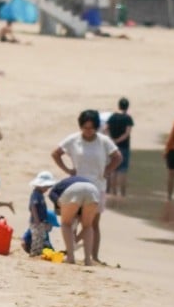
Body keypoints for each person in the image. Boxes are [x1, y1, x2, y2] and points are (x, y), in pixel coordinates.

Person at [51, 109, 121, 264]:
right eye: (85, 127)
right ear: (81, 126)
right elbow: (56, 153)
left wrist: (107, 171)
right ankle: (72, 253)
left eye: (91, 128)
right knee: (73, 222)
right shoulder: (73, 140)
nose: (88, 131)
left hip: (98, 187)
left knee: (93, 224)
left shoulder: (103, 141)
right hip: (76, 185)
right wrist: (68, 170)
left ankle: (93, 256)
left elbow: (117, 157)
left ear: (96, 127)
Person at [49, 175, 100, 265]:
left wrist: (59, 202)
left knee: (66, 224)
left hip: (73, 190)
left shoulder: (57, 190)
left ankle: (70, 257)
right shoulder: (69, 182)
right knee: (88, 226)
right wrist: (75, 240)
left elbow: (51, 193)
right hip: (93, 189)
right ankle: (88, 260)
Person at [105, 98, 134, 197]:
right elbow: (127, 133)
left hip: (112, 147)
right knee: (123, 171)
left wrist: (112, 140)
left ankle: (113, 192)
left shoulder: (112, 117)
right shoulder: (128, 118)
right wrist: (118, 140)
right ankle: (122, 194)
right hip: (124, 147)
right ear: (127, 107)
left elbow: (105, 129)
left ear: (119, 105)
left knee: (113, 170)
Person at [27, 171, 56, 257]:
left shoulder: (40, 194)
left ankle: (38, 253)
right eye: (46, 187)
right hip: (36, 221)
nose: (47, 189)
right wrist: (36, 219)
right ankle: (34, 253)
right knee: (36, 238)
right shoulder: (36, 194)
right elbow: (33, 207)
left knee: (40, 238)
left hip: (41, 221)